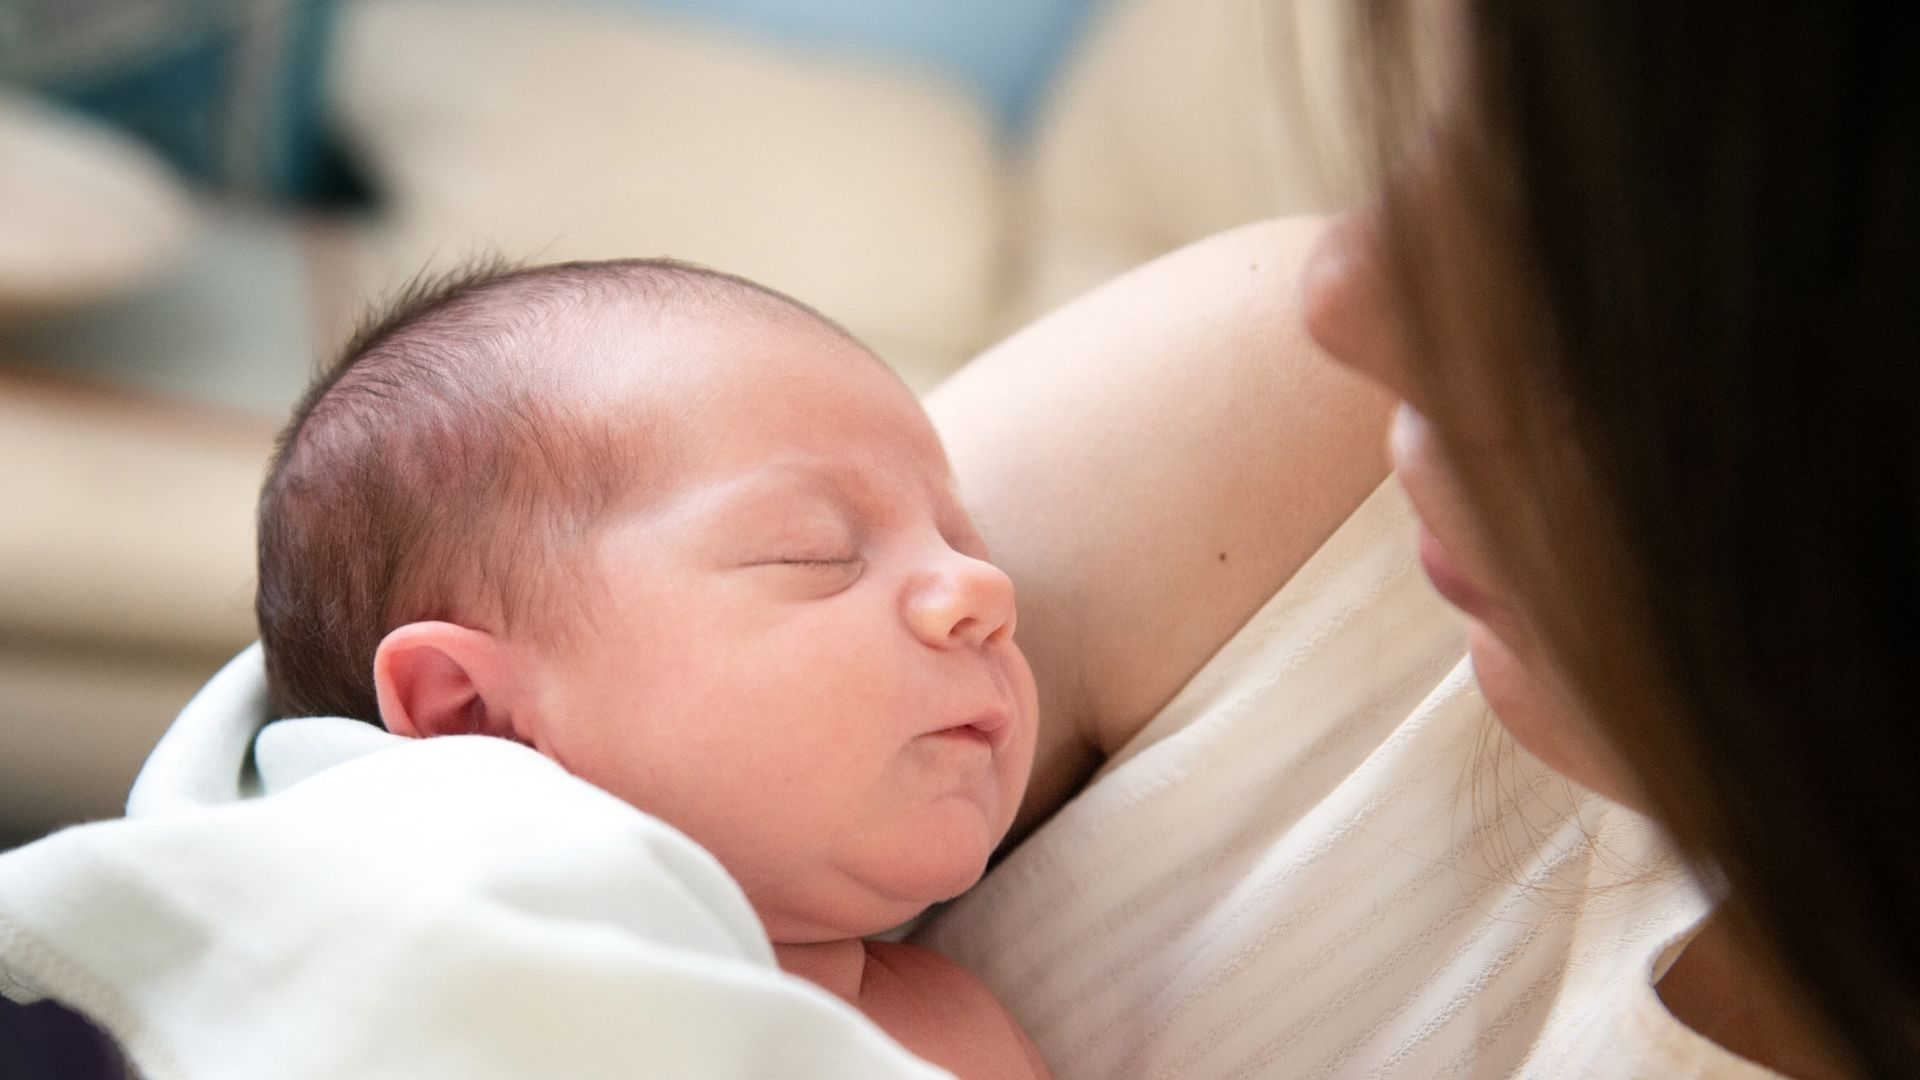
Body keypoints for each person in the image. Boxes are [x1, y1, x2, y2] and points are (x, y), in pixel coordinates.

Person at [254, 257, 1047, 1080]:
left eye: (964, 544)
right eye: (816, 552)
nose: (983, 591)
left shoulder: (961, 1024)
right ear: (475, 716)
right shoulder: (440, 1014)